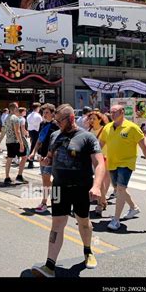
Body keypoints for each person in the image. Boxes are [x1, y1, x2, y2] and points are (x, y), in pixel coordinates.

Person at [32, 104, 105, 277]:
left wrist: (96, 186)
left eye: (59, 120)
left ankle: (88, 251)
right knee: (57, 223)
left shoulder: (87, 137)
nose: (57, 123)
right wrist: (45, 161)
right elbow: (50, 157)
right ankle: (49, 266)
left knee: (83, 221)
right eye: (55, 120)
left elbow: (100, 163)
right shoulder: (55, 135)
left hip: (81, 187)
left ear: (71, 119)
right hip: (59, 187)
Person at [100, 105, 146, 231]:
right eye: (111, 112)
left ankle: (116, 220)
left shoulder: (132, 128)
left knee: (120, 189)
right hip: (112, 162)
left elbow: (144, 146)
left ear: (122, 112)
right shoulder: (108, 127)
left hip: (126, 163)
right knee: (118, 188)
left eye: (115, 112)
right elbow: (100, 144)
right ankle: (133, 207)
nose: (112, 114)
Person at [28, 103, 59, 213]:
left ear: (52, 113)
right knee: (45, 180)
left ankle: (44, 202)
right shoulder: (42, 124)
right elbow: (39, 140)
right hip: (42, 156)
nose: (44, 115)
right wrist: (33, 152)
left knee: (47, 179)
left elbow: (57, 143)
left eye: (47, 112)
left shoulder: (56, 125)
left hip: (51, 157)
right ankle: (55, 199)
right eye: (43, 112)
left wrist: (50, 155)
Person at [0, 102, 27, 185]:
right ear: (15, 109)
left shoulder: (7, 118)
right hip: (15, 141)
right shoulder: (16, 118)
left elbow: (3, 131)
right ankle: (19, 175)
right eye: (17, 107)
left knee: (9, 159)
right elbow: (17, 132)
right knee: (24, 157)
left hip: (8, 141)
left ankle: (7, 177)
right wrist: (21, 143)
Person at [87, 111, 111, 217]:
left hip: (103, 157)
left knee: (100, 181)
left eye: (94, 119)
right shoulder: (89, 130)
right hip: (91, 158)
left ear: (100, 119)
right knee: (96, 181)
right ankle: (103, 200)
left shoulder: (105, 129)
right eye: (90, 119)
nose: (91, 121)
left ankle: (100, 204)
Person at [27, 102, 42, 169]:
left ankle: (31, 162)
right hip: (37, 132)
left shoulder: (29, 115)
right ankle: (32, 162)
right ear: (38, 108)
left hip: (31, 132)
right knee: (37, 147)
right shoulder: (38, 116)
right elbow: (41, 125)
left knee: (34, 147)